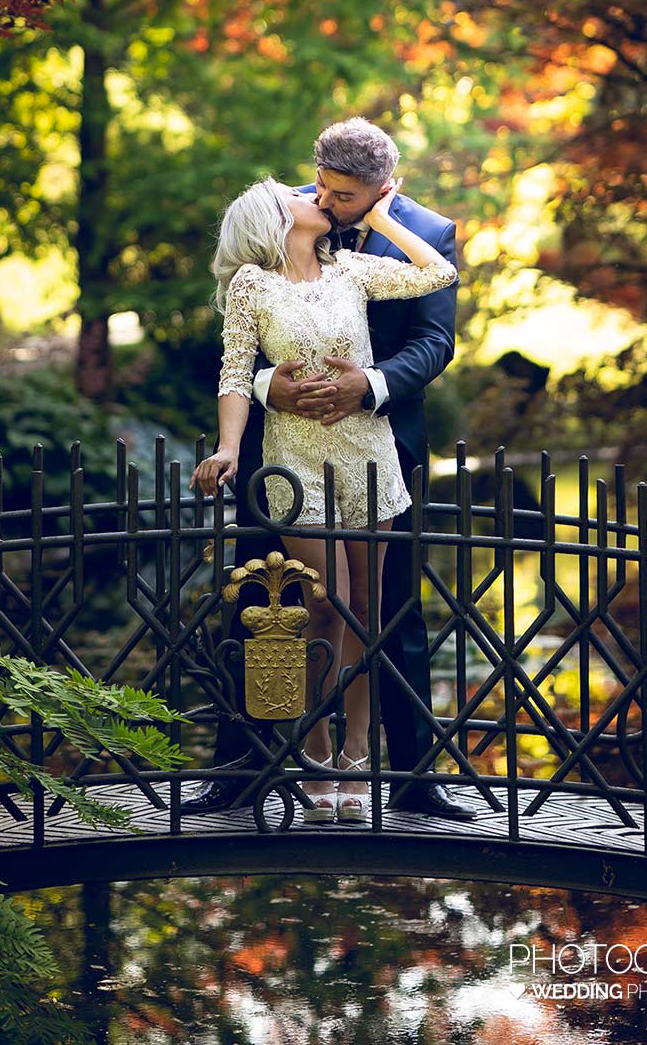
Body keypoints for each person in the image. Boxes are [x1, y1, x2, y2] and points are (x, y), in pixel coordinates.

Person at [184, 117, 474, 821]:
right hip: (283, 454)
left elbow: (436, 342)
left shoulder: (425, 232)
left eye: (346, 195)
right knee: (264, 602)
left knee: (388, 612)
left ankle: (407, 775)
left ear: (381, 188)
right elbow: (234, 355)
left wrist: (368, 384)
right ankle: (243, 765)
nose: (328, 199)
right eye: (324, 185)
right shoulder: (281, 212)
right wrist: (267, 389)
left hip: (380, 445)